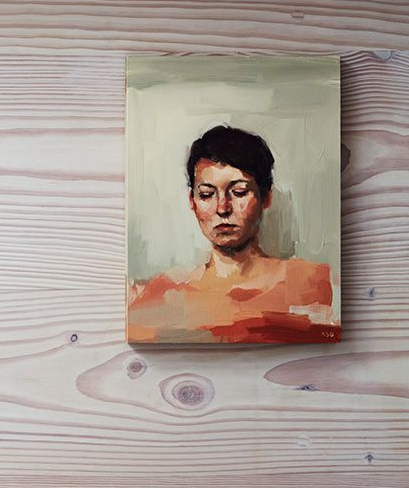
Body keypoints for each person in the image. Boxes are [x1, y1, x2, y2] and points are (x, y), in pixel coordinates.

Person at [127, 124, 339, 344]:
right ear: (192, 202)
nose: (223, 208)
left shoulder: (314, 283)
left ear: (266, 197)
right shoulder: (163, 294)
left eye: (239, 192)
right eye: (207, 194)